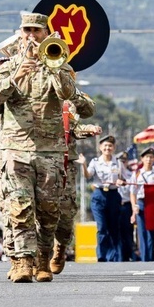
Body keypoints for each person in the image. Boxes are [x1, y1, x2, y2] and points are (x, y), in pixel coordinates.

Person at [0, 12, 77, 283]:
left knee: (49, 211)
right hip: (14, 149)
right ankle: (24, 261)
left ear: (46, 34)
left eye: (37, 31)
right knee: (20, 206)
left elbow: (69, 95)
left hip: (49, 150)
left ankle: (43, 257)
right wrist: (14, 78)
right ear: (20, 33)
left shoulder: (58, 63)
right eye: (27, 30)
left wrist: (53, 67)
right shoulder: (5, 68)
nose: (32, 36)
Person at [50, 94, 99, 274]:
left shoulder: (67, 101)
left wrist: (89, 129)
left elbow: (75, 128)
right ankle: (35, 256)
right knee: (36, 208)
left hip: (65, 163)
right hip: (38, 159)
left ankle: (60, 248)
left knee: (66, 209)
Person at [84, 134, 125, 262]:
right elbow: (88, 175)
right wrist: (84, 164)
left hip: (113, 195)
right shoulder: (95, 162)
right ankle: (101, 256)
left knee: (113, 227)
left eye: (110, 146)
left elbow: (122, 178)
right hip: (99, 195)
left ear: (113, 148)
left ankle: (113, 256)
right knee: (102, 227)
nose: (108, 148)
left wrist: (120, 181)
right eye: (105, 145)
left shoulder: (118, 162)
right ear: (101, 147)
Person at [130, 147, 154, 262]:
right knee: (142, 232)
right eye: (147, 157)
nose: (149, 159)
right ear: (142, 159)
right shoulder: (137, 174)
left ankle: (151, 256)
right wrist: (134, 207)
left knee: (152, 231)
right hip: (141, 203)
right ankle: (144, 258)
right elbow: (133, 192)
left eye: (151, 157)